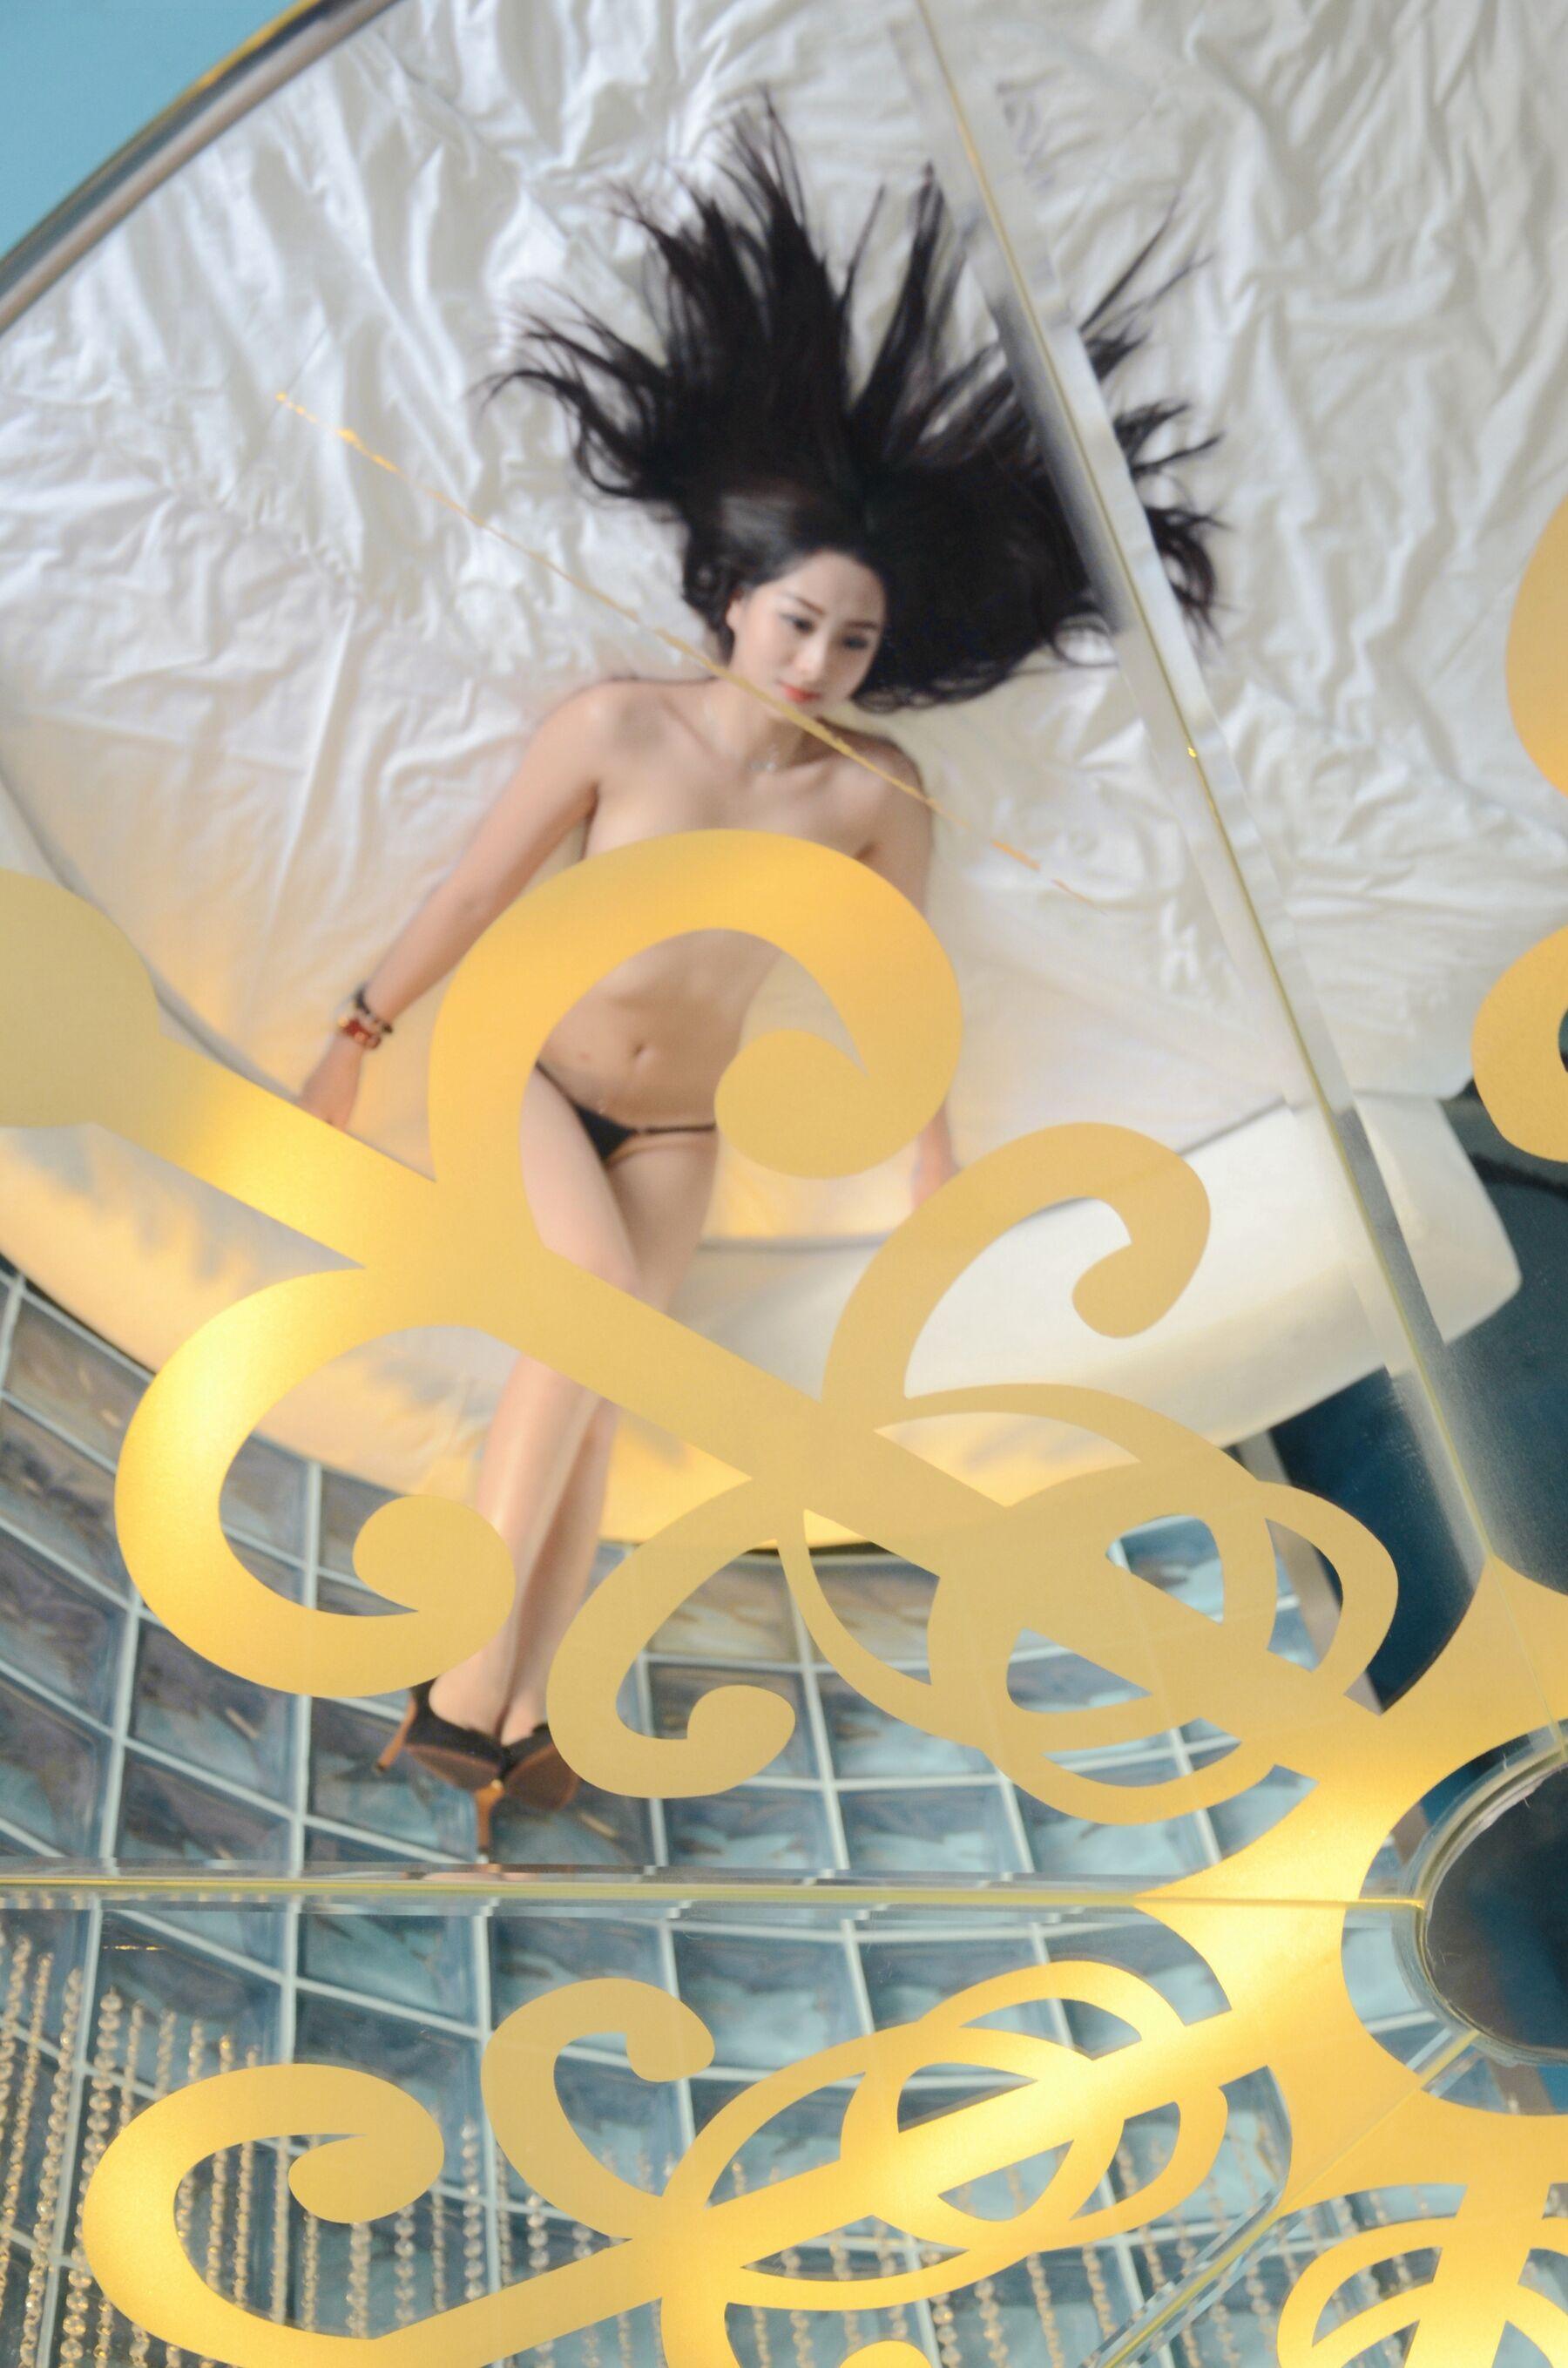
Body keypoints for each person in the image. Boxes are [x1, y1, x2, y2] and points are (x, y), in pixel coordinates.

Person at [296, 105, 1218, 1848]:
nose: (818, 659)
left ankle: (522, 1708)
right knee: (584, 1318)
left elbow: (898, 990)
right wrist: (361, 1030)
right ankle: (465, 1694)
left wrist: (932, 1163)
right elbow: (479, 885)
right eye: (798, 621)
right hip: (528, 1079)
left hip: (684, 1129)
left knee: (605, 1387)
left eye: (852, 639)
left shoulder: (877, 794)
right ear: (733, 600)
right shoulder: (616, 726)